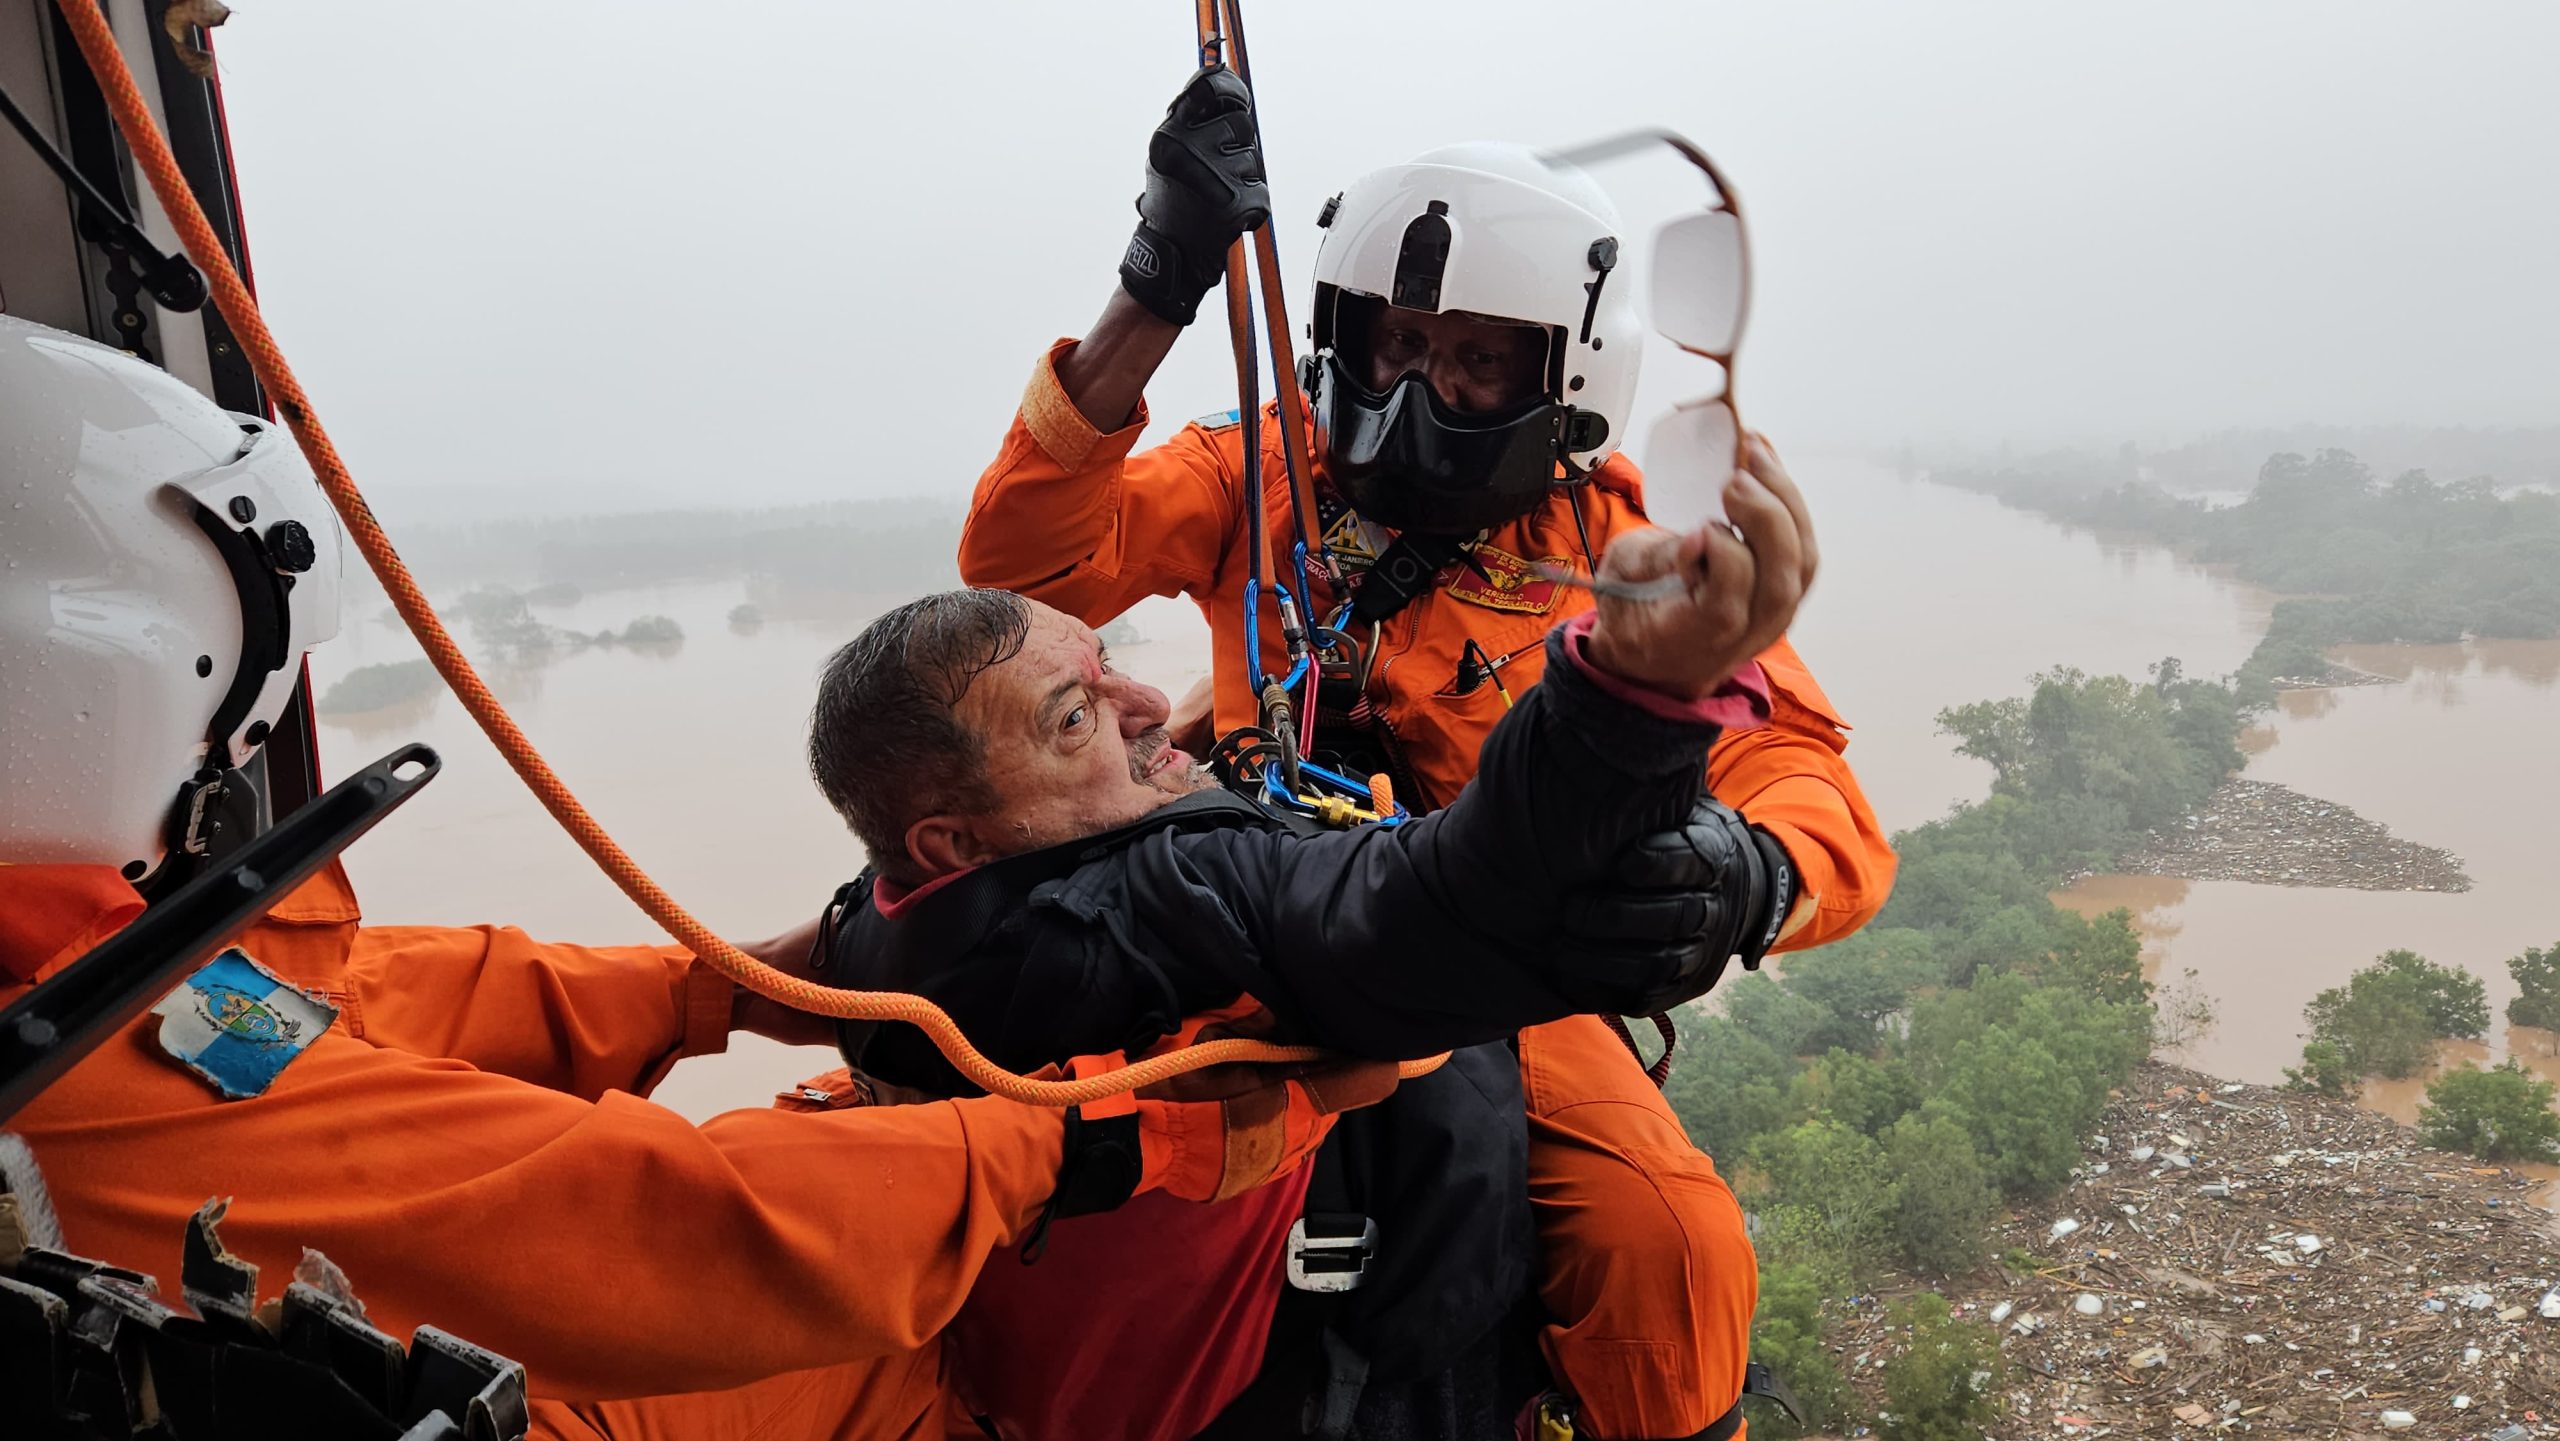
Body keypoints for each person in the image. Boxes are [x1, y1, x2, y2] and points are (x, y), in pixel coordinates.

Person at [0, 313, 1383, 1441]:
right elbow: (657, 1222)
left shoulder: (73, 991)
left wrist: (727, 991)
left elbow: (338, 997)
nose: (238, 756)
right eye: (235, 717)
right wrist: (1116, 1142)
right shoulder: (105, 1075)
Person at [955, 67, 1896, 1438]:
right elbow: (1022, 564)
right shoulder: (1264, 469)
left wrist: (1743, 871)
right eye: (1395, 343)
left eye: (1473, 361)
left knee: (1670, 1243)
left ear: (1562, 377)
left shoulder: (1611, 545)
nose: (1415, 390)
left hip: (1505, 960)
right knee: (1019, 1161)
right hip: (1252, 892)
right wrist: (1156, 285)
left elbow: (1798, 768)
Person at [810, 427, 1815, 1440]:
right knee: (1671, 1239)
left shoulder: (877, 934)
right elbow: (1442, 903)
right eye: (1074, 719)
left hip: (1038, 1387)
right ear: (948, 838)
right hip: (1433, 893)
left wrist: (704, 998)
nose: (1152, 705)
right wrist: (1633, 695)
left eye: (1109, 670)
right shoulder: (1187, 884)